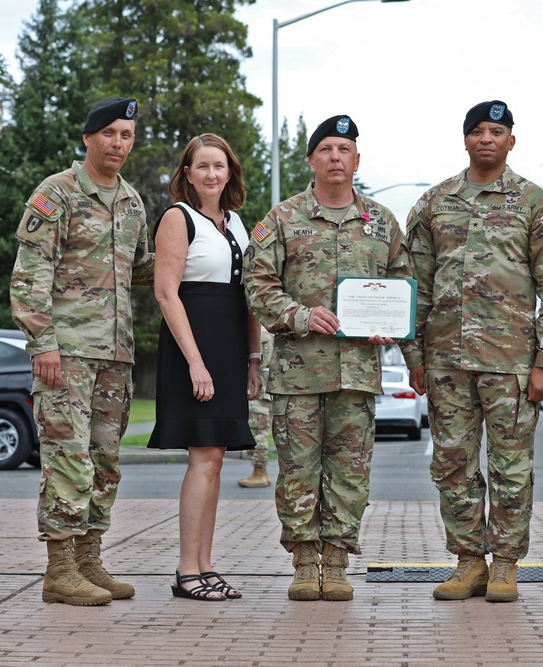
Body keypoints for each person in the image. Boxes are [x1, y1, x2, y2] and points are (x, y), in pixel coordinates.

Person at [402, 100, 543, 603]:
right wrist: (415, 358)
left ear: (511, 141)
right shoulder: (435, 203)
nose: (486, 139)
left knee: (510, 466)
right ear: (465, 140)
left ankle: (505, 565)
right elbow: (417, 288)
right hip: (447, 363)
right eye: (477, 131)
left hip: (511, 365)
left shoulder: (534, 204)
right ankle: (468, 562)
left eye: (496, 131)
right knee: (453, 464)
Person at [243, 114, 409, 602]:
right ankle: (303, 561)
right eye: (326, 150)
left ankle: (336, 561)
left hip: (357, 373)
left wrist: (393, 328)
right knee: (297, 469)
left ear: (357, 159)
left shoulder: (381, 221)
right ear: (311, 159)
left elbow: (403, 287)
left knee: (351, 472)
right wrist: (298, 315)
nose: (335, 157)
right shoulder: (282, 218)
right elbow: (257, 284)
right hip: (299, 373)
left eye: (344, 149)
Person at [10, 96, 154, 606]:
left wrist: (195, 256)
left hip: (116, 355)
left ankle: (91, 559)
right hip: (65, 355)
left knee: (104, 460)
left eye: (127, 135)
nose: (119, 143)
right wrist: (43, 343)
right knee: (67, 458)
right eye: (110, 133)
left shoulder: (133, 202)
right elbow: (30, 276)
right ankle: (60, 569)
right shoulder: (58, 193)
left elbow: (140, 268)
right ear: (89, 137)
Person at [147, 133, 262, 601]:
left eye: (220, 166)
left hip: (232, 349)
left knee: (215, 459)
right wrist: (196, 362)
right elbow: (165, 293)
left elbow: (251, 296)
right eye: (202, 166)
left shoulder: (238, 224)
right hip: (193, 348)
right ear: (188, 174)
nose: (212, 174)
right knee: (203, 457)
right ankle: (186, 570)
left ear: (230, 171)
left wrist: (253, 359)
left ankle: (205, 566)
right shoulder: (178, 218)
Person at [238, 325, 274, 488]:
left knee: (257, 428)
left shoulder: (261, 336)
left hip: (259, 385)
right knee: (259, 426)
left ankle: (259, 472)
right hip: (265, 384)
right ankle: (261, 472)